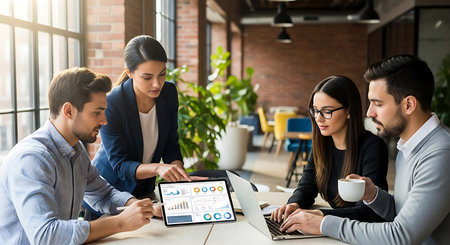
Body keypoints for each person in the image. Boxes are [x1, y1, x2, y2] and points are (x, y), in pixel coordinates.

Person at [280, 55, 450, 245]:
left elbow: (401, 236)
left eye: (378, 104)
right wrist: (373, 195)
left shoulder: (441, 153)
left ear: (408, 105)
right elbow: (401, 213)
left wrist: (324, 223)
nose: (369, 113)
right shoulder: (408, 147)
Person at [0, 67, 155, 244]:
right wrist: (120, 223)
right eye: (97, 112)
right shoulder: (32, 159)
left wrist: (136, 206)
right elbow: (46, 236)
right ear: (68, 111)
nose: (104, 121)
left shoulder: (76, 150)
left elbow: (103, 194)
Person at [86, 35, 200, 219]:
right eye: (147, 77)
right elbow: (120, 166)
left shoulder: (168, 93)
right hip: (109, 194)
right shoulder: (113, 103)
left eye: (162, 74)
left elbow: (170, 144)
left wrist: (178, 174)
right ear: (129, 72)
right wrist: (158, 169)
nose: (157, 84)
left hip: (144, 192)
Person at [271, 76, 388, 223]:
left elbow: (371, 212)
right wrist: (294, 204)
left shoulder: (373, 147)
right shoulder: (322, 144)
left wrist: (321, 215)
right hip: (333, 229)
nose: (318, 118)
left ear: (349, 111)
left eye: (327, 111)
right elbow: (306, 189)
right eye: (315, 110)